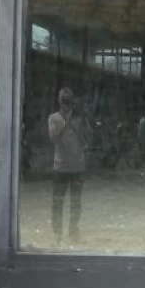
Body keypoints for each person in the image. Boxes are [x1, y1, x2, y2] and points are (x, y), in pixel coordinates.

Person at [48, 87, 89, 243]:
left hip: (77, 166)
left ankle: (73, 231)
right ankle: (57, 233)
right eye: (64, 101)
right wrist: (66, 122)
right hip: (60, 167)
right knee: (57, 202)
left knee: (76, 202)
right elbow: (53, 139)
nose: (66, 104)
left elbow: (87, 138)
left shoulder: (80, 120)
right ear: (59, 101)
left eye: (68, 101)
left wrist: (81, 121)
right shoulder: (53, 118)